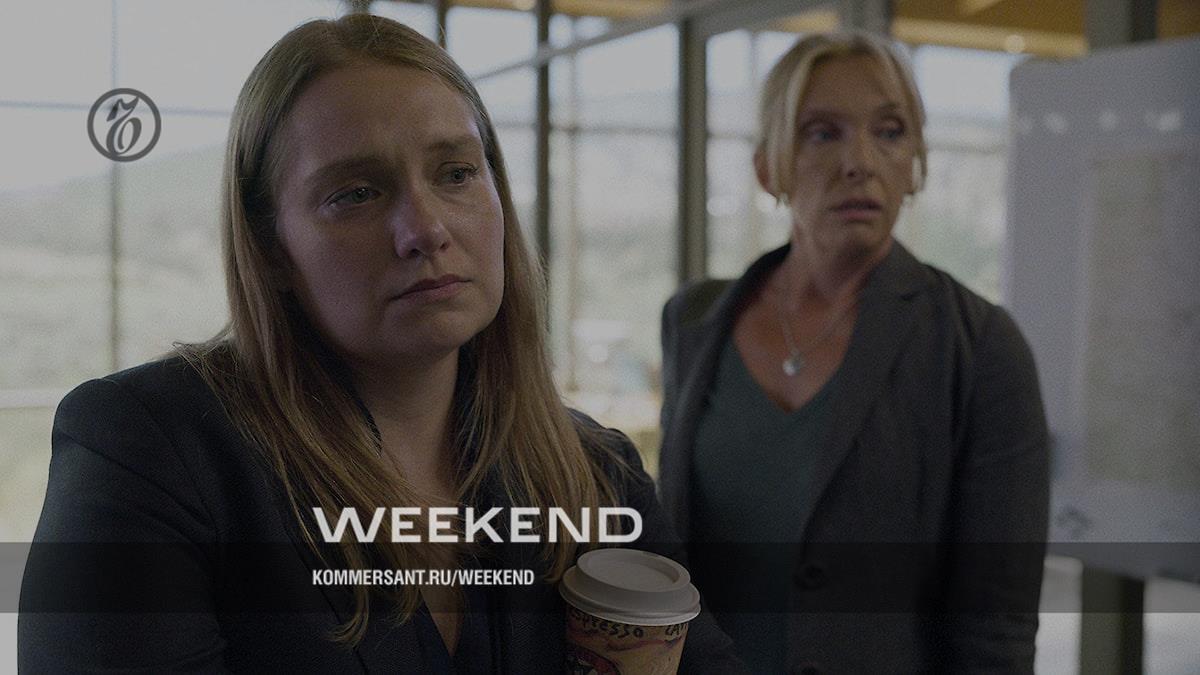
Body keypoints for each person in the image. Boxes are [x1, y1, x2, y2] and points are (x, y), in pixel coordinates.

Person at [19, 14, 741, 673]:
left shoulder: (594, 474)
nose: (426, 229)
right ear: (270, 247)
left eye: (456, 173)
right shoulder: (153, 452)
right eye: (356, 193)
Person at [658, 31, 1049, 673]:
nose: (860, 162)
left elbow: (995, 629)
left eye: (890, 132)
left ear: (914, 164)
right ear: (769, 167)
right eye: (822, 133)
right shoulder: (694, 321)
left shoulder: (979, 346)